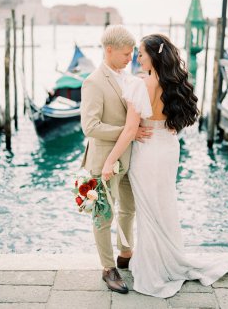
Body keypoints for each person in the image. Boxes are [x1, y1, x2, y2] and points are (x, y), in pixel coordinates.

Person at [101, 33, 228, 298]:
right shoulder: (173, 83)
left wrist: (109, 160)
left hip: (148, 151)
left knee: (148, 210)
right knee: (163, 205)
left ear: (154, 55)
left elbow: (130, 131)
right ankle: (167, 259)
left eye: (140, 53)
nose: (137, 58)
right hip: (168, 148)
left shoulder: (142, 85)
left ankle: (155, 268)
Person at [80, 25, 153, 294]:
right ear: (108, 50)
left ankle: (125, 254)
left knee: (129, 209)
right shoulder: (93, 82)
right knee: (103, 215)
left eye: (133, 52)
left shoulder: (129, 78)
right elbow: (90, 126)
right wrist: (129, 133)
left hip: (131, 159)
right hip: (104, 161)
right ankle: (108, 268)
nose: (130, 57)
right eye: (126, 53)